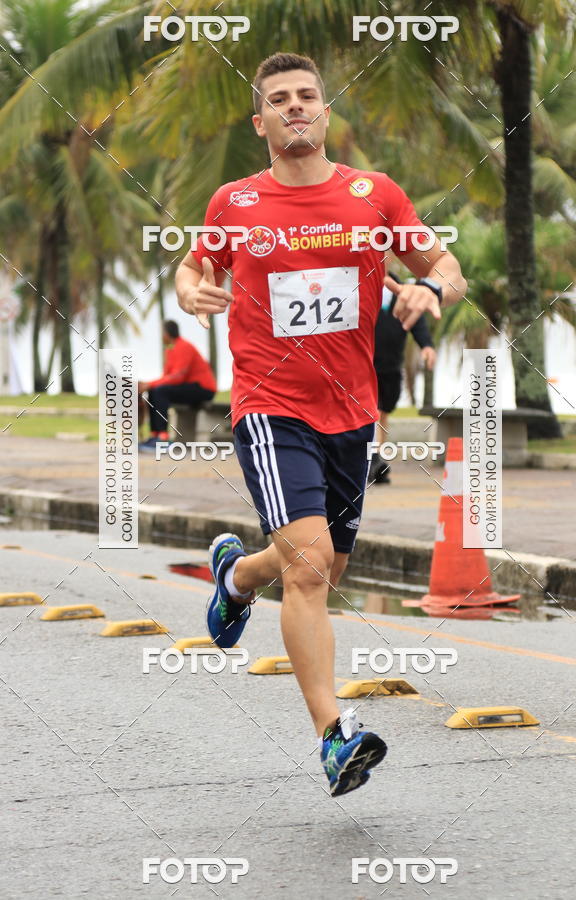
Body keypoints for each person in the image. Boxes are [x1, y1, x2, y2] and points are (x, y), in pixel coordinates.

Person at [175, 52, 467, 796]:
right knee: (309, 568)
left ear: (326, 112)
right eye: (280, 99)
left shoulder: (375, 196)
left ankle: (237, 578)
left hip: (351, 413)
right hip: (271, 409)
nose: (296, 107)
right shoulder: (234, 203)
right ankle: (334, 739)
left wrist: (429, 287)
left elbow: (446, 263)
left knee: (326, 567)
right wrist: (191, 293)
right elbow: (190, 268)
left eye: (308, 96)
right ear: (261, 121)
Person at [371, 273, 437, 484]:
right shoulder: (359, 287)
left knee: (383, 414)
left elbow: (416, 322)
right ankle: (373, 458)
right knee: (373, 411)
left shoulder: (402, 291)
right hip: (365, 366)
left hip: (390, 365)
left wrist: (426, 345)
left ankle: (376, 457)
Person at [138, 320, 216, 452]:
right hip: (188, 386)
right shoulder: (170, 350)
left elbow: (178, 376)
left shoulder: (184, 346)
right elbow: (166, 377)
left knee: (160, 391)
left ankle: (163, 438)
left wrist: (149, 384)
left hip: (203, 389)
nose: (161, 336)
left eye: (162, 333)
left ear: (167, 333)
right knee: (154, 391)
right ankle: (155, 435)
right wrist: (147, 385)